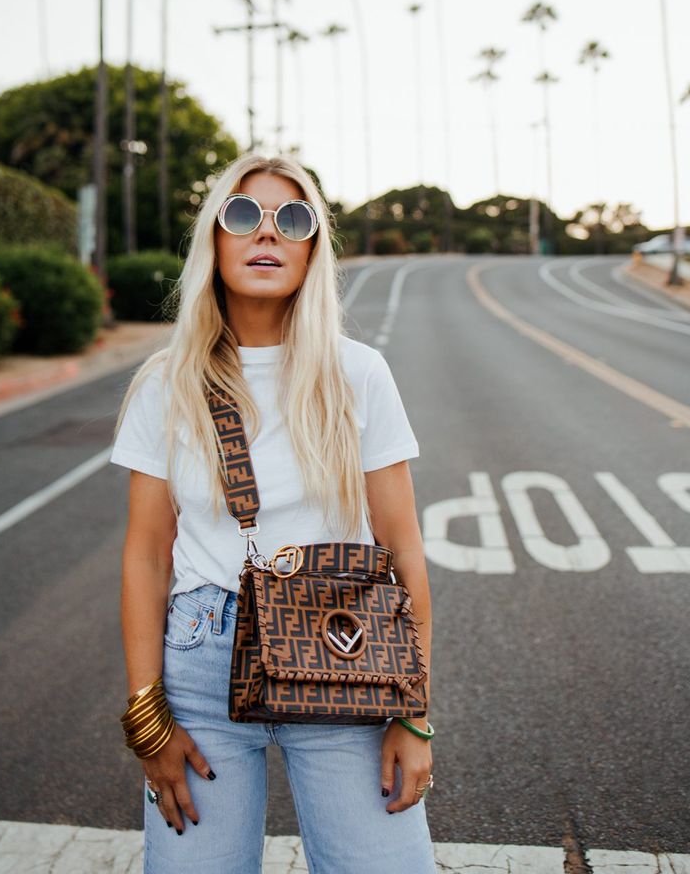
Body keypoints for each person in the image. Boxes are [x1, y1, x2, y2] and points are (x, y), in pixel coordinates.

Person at [110, 152, 436, 874]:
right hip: (201, 661)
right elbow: (144, 555)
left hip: (344, 655)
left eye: (292, 218)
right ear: (215, 241)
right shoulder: (165, 385)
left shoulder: (358, 374)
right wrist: (147, 717)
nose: (266, 234)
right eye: (241, 215)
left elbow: (404, 548)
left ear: (313, 246)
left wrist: (413, 712)